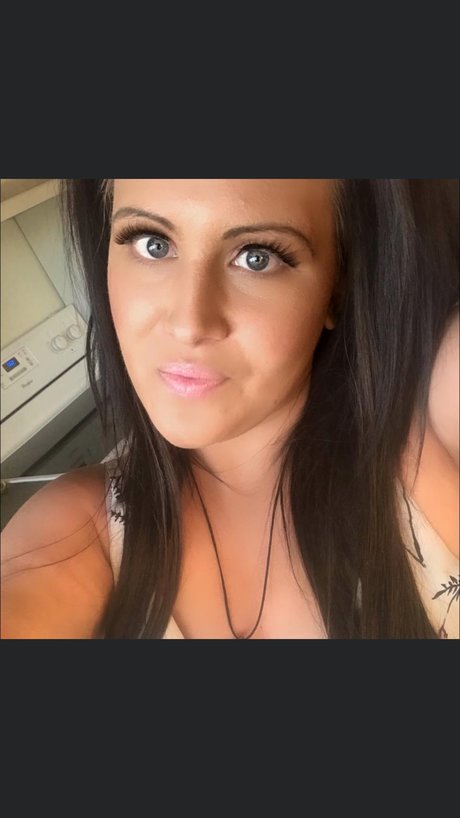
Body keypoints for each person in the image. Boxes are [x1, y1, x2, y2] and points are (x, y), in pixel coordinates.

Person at [1, 179, 458, 639]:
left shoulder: (430, 440)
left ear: (336, 288)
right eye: (153, 243)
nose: (189, 324)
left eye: (257, 257)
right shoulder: (76, 528)